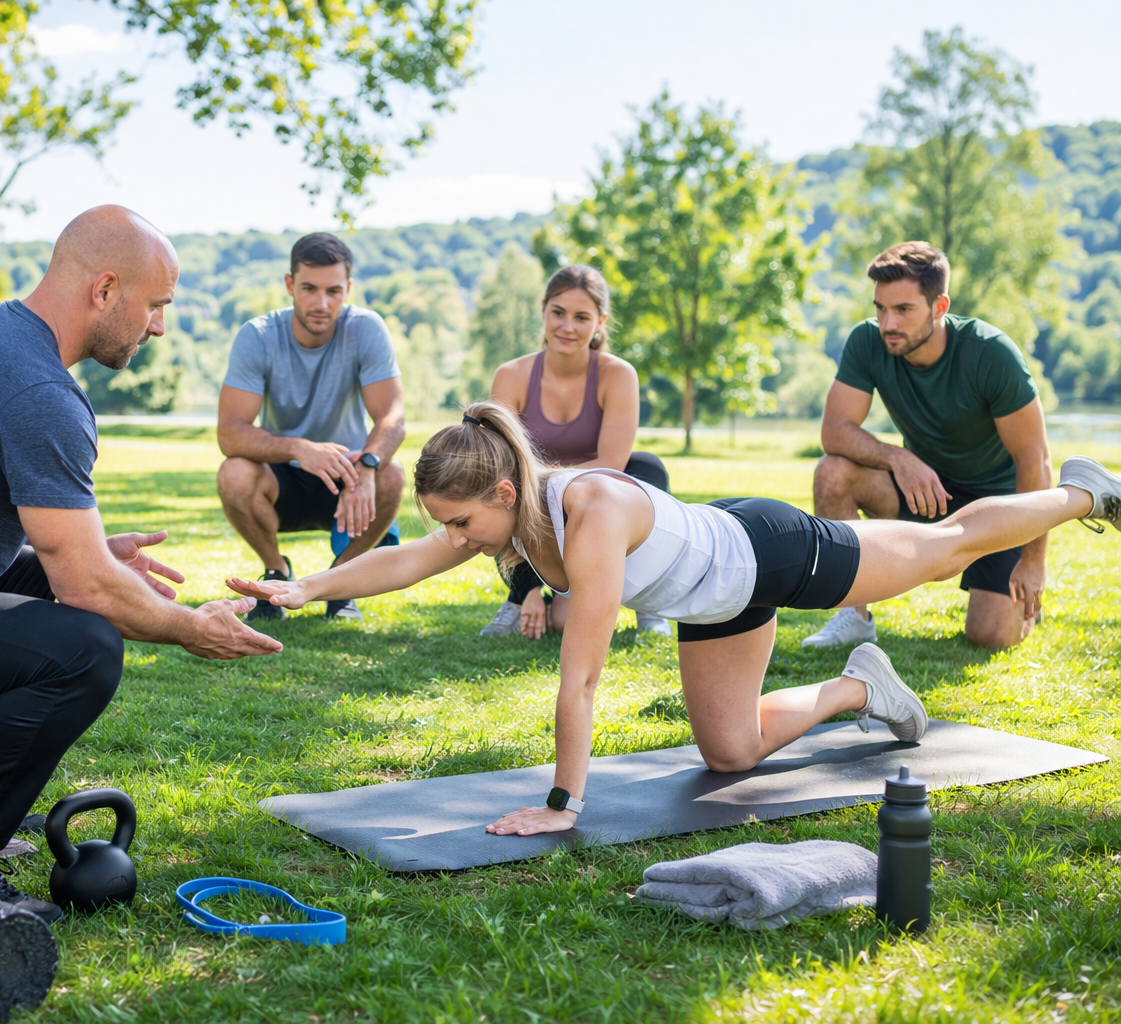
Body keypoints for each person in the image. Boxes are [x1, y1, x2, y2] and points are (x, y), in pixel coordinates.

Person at [226, 401, 1118, 838]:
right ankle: (857, 686)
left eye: (462, 522)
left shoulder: (594, 515)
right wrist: (304, 589)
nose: (454, 539)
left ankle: (1082, 490)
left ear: (502, 493)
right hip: (715, 596)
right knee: (729, 755)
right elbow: (408, 560)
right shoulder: (510, 513)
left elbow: (581, 677)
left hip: (768, 550)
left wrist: (561, 804)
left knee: (950, 543)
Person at [0, 206, 282, 921]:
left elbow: (72, 563)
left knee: (60, 599)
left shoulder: (9, 340)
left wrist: (81, 552)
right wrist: (190, 625)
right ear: (104, 290)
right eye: (155, 305)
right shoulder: (41, 392)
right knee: (84, 648)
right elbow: (87, 589)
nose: (159, 325)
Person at [805, 241, 1052, 650]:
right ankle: (853, 614)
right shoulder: (868, 342)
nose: (887, 324)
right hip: (925, 488)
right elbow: (835, 431)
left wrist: (1033, 562)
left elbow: (1035, 460)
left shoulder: (991, 353)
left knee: (990, 636)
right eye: (880, 308)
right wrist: (898, 457)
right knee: (833, 473)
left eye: (904, 310)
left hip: (997, 503)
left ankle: (1022, 604)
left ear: (939, 307)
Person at [216, 233, 406, 622]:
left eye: (334, 291)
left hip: (349, 475)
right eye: (309, 289)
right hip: (283, 475)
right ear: (290, 285)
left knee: (393, 475)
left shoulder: (366, 328)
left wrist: (368, 466)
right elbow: (230, 433)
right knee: (233, 473)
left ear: (348, 289)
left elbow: (393, 418)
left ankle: (340, 584)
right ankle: (276, 571)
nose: (321, 303)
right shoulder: (258, 335)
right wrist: (300, 448)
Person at [483, 264, 671, 639]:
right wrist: (531, 590)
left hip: (594, 498)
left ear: (600, 321)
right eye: (558, 313)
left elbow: (612, 464)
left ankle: (650, 604)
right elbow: (501, 464)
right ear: (543, 310)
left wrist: (545, 481)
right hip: (529, 502)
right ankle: (519, 597)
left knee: (648, 470)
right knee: (499, 485)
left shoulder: (618, 375)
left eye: (581, 317)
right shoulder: (513, 375)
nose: (567, 327)